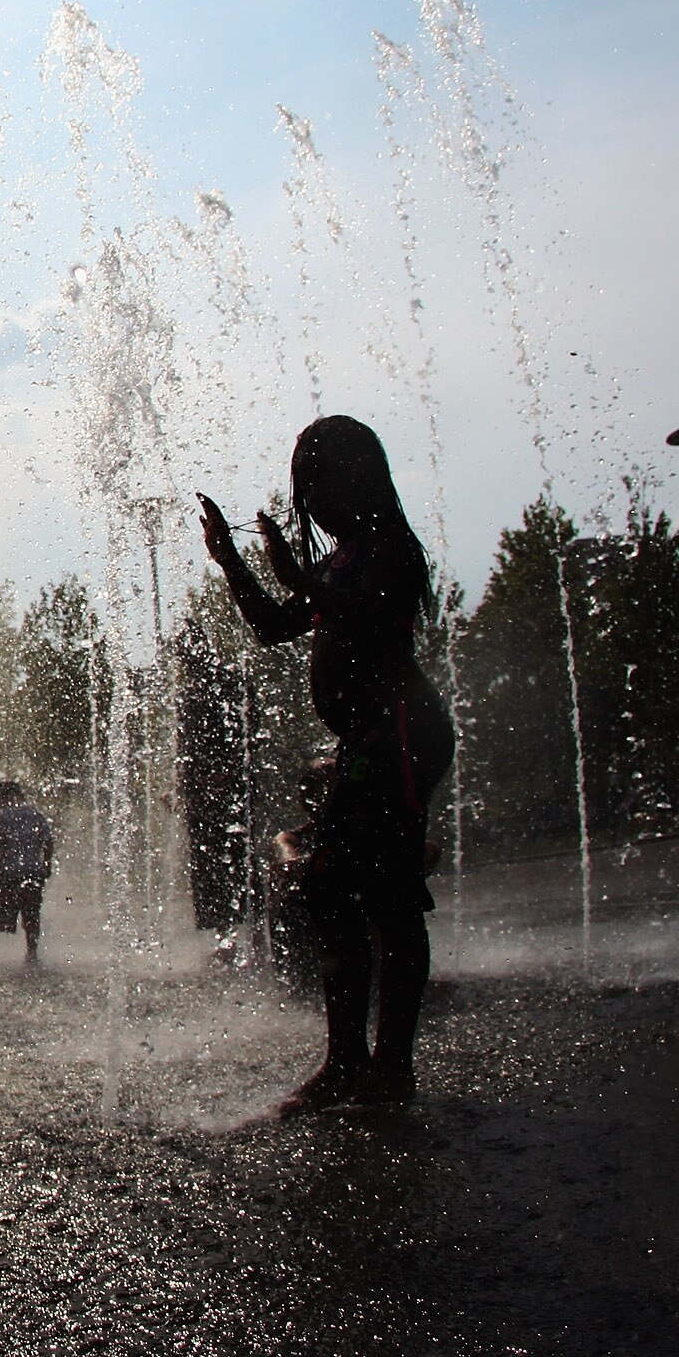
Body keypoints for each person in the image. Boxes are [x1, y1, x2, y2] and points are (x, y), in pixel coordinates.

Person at [201, 414, 453, 1112]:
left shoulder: (392, 551)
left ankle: (388, 1069)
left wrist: (298, 578)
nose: (312, 497)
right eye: (303, 484)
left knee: (390, 900)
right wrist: (231, 561)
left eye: (323, 478)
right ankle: (348, 1061)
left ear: (362, 475)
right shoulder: (337, 563)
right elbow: (273, 628)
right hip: (366, 743)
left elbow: (370, 616)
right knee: (329, 892)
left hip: (401, 734)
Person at [0, 778, 53, 966]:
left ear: (5, 797)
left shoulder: (1, 817)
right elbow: (48, 841)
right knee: (31, 916)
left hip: (8, 876)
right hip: (32, 875)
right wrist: (46, 865)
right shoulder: (35, 814)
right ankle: (32, 954)